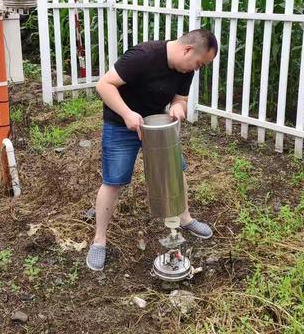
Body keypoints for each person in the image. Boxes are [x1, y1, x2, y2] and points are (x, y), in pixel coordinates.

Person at [86, 29, 218, 271]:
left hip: (157, 125)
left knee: (176, 171)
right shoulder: (143, 56)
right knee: (114, 180)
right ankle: (99, 241)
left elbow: (180, 99)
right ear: (187, 50)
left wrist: (178, 108)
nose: (197, 69)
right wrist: (127, 114)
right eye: (199, 63)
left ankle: (185, 218)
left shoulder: (184, 68)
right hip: (121, 125)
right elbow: (104, 85)